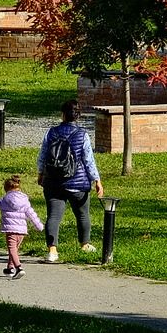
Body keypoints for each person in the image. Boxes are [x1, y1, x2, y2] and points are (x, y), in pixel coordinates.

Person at [38, 98, 104, 263]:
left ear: (62, 115)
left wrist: (41, 174)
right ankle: (85, 244)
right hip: (78, 182)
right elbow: (88, 160)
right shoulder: (82, 135)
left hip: (53, 182)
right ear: (78, 116)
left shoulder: (51, 132)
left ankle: (52, 251)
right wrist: (96, 180)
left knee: (53, 216)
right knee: (82, 215)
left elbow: (43, 155)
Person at [0, 174, 45, 278]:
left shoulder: (5, 200)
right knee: (14, 249)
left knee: (12, 249)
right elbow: (31, 214)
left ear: (6, 189)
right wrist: (39, 226)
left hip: (11, 230)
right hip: (22, 231)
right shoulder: (25, 200)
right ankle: (10, 268)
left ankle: (19, 268)